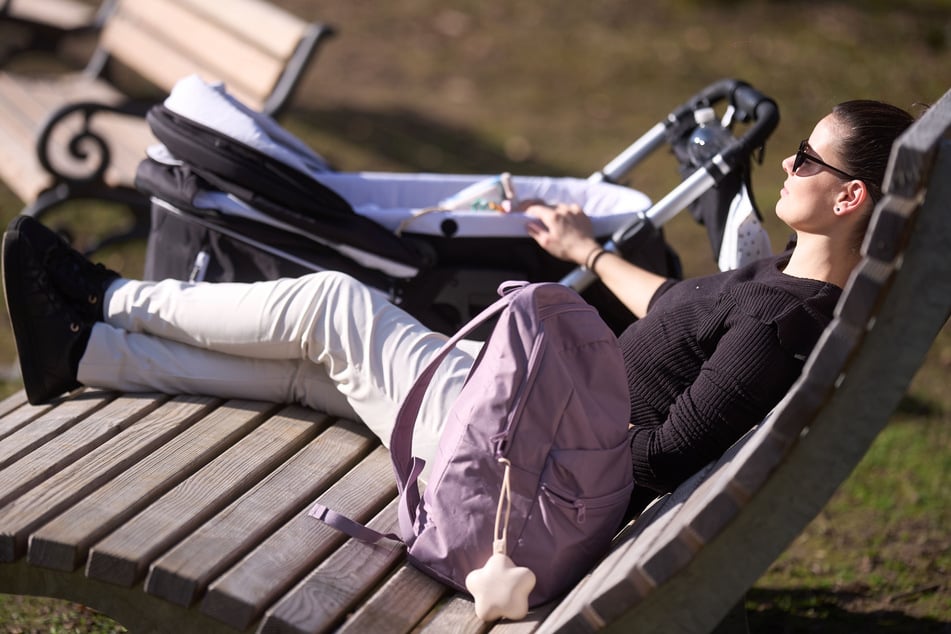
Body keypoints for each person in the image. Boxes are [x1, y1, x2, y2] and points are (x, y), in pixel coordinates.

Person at [2, 99, 914, 514]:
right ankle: (87, 354)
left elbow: (664, 457)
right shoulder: (781, 285)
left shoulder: (781, 323)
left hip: (524, 457)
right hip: (528, 411)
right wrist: (586, 251)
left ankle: (106, 292)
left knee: (332, 308)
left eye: (807, 158)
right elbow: (675, 307)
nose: (787, 163)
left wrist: (543, 420)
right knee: (311, 373)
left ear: (849, 198)